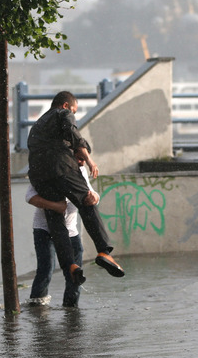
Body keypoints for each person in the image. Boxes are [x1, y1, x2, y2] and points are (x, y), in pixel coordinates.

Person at [27, 91, 125, 286]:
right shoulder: (62, 113)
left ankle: (70, 266)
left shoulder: (37, 125)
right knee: (87, 202)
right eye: (74, 110)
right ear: (65, 106)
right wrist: (89, 160)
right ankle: (104, 251)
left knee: (55, 216)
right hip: (61, 168)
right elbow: (73, 133)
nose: (74, 114)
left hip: (38, 175)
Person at [25, 161, 99, 307]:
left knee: (75, 271)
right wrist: (56, 206)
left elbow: (92, 193)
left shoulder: (80, 171)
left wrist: (94, 198)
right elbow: (30, 197)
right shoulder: (46, 169)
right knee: (46, 268)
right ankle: (37, 305)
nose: (81, 161)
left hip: (71, 230)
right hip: (45, 229)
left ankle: (71, 307)